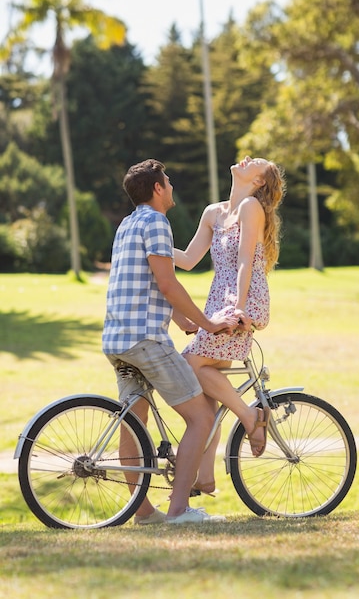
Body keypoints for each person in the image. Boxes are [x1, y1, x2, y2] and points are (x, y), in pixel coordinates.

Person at [102, 158, 238, 524]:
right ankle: (179, 510)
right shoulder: (157, 222)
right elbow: (168, 283)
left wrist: (181, 319)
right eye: (168, 181)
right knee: (202, 418)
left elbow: (145, 283)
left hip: (118, 338)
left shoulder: (128, 225)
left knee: (135, 423)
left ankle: (144, 513)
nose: (172, 186)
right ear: (158, 189)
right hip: (146, 340)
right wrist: (209, 323)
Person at [174, 155, 286, 495]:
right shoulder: (213, 212)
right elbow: (190, 260)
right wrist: (152, 247)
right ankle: (204, 478)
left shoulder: (251, 207)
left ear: (259, 182)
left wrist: (237, 308)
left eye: (257, 162)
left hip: (242, 300)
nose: (247, 157)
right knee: (207, 396)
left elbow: (243, 261)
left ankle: (250, 417)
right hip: (217, 303)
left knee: (190, 364)